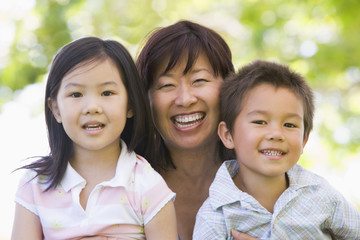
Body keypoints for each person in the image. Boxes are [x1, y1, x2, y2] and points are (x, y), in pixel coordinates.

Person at [11, 37, 177, 240]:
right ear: (55, 109)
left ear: (131, 104)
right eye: (76, 94)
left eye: (107, 92)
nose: (92, 107)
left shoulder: (148, 186)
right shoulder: (35, 184)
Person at [193, 59, 360, 239]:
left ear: (304, 140)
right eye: (259, 122)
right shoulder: (216, 216)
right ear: (227, 135)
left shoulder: (321, 194)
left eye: (289, 124)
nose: (276, 134)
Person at [136, 20, 256, 240]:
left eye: (199, 80)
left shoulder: (267, 174)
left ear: (229, 87)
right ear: (145, 100)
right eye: (166, 85)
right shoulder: (124, 182)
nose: (185, 99)